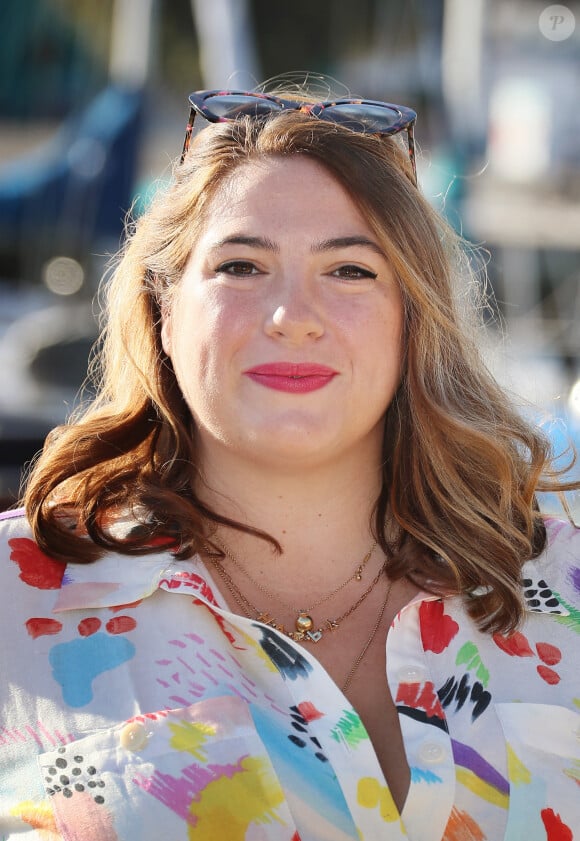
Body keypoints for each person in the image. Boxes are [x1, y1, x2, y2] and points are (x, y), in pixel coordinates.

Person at [1, 83, 579, 841]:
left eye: (350, 271)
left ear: (412, 319)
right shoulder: (17, 604)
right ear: (165, 310)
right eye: (241, 266)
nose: (292, 318)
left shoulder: (555, 574)